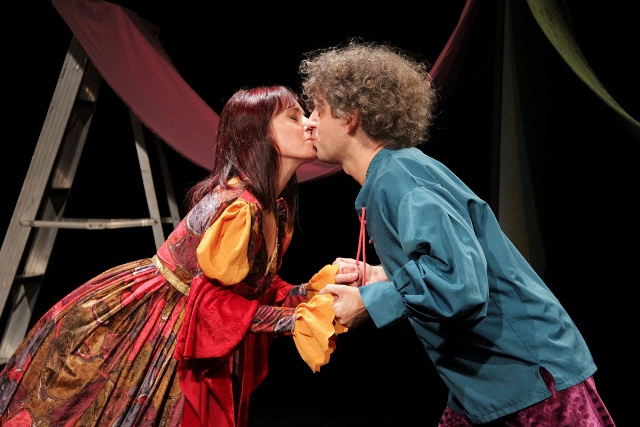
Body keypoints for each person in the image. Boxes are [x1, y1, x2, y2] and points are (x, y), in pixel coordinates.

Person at [298, 40, 616, 426]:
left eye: (318, 109)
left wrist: (370, 303)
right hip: (484, 386)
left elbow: (460, 284)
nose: (309, 121)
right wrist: (380, 275)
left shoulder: (400, 179)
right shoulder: (393, 175)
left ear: (350, 117)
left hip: (530, 380)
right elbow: (446, 261)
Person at [0, 85, 343, 427]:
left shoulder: (274, 209)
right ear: (258, 134)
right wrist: (294, 320)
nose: (310, 124)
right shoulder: (237, 207)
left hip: (199, 326)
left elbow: (253, 287)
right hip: (160, 321)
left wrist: (309, 294)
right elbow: (211, 306)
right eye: (294, 117)